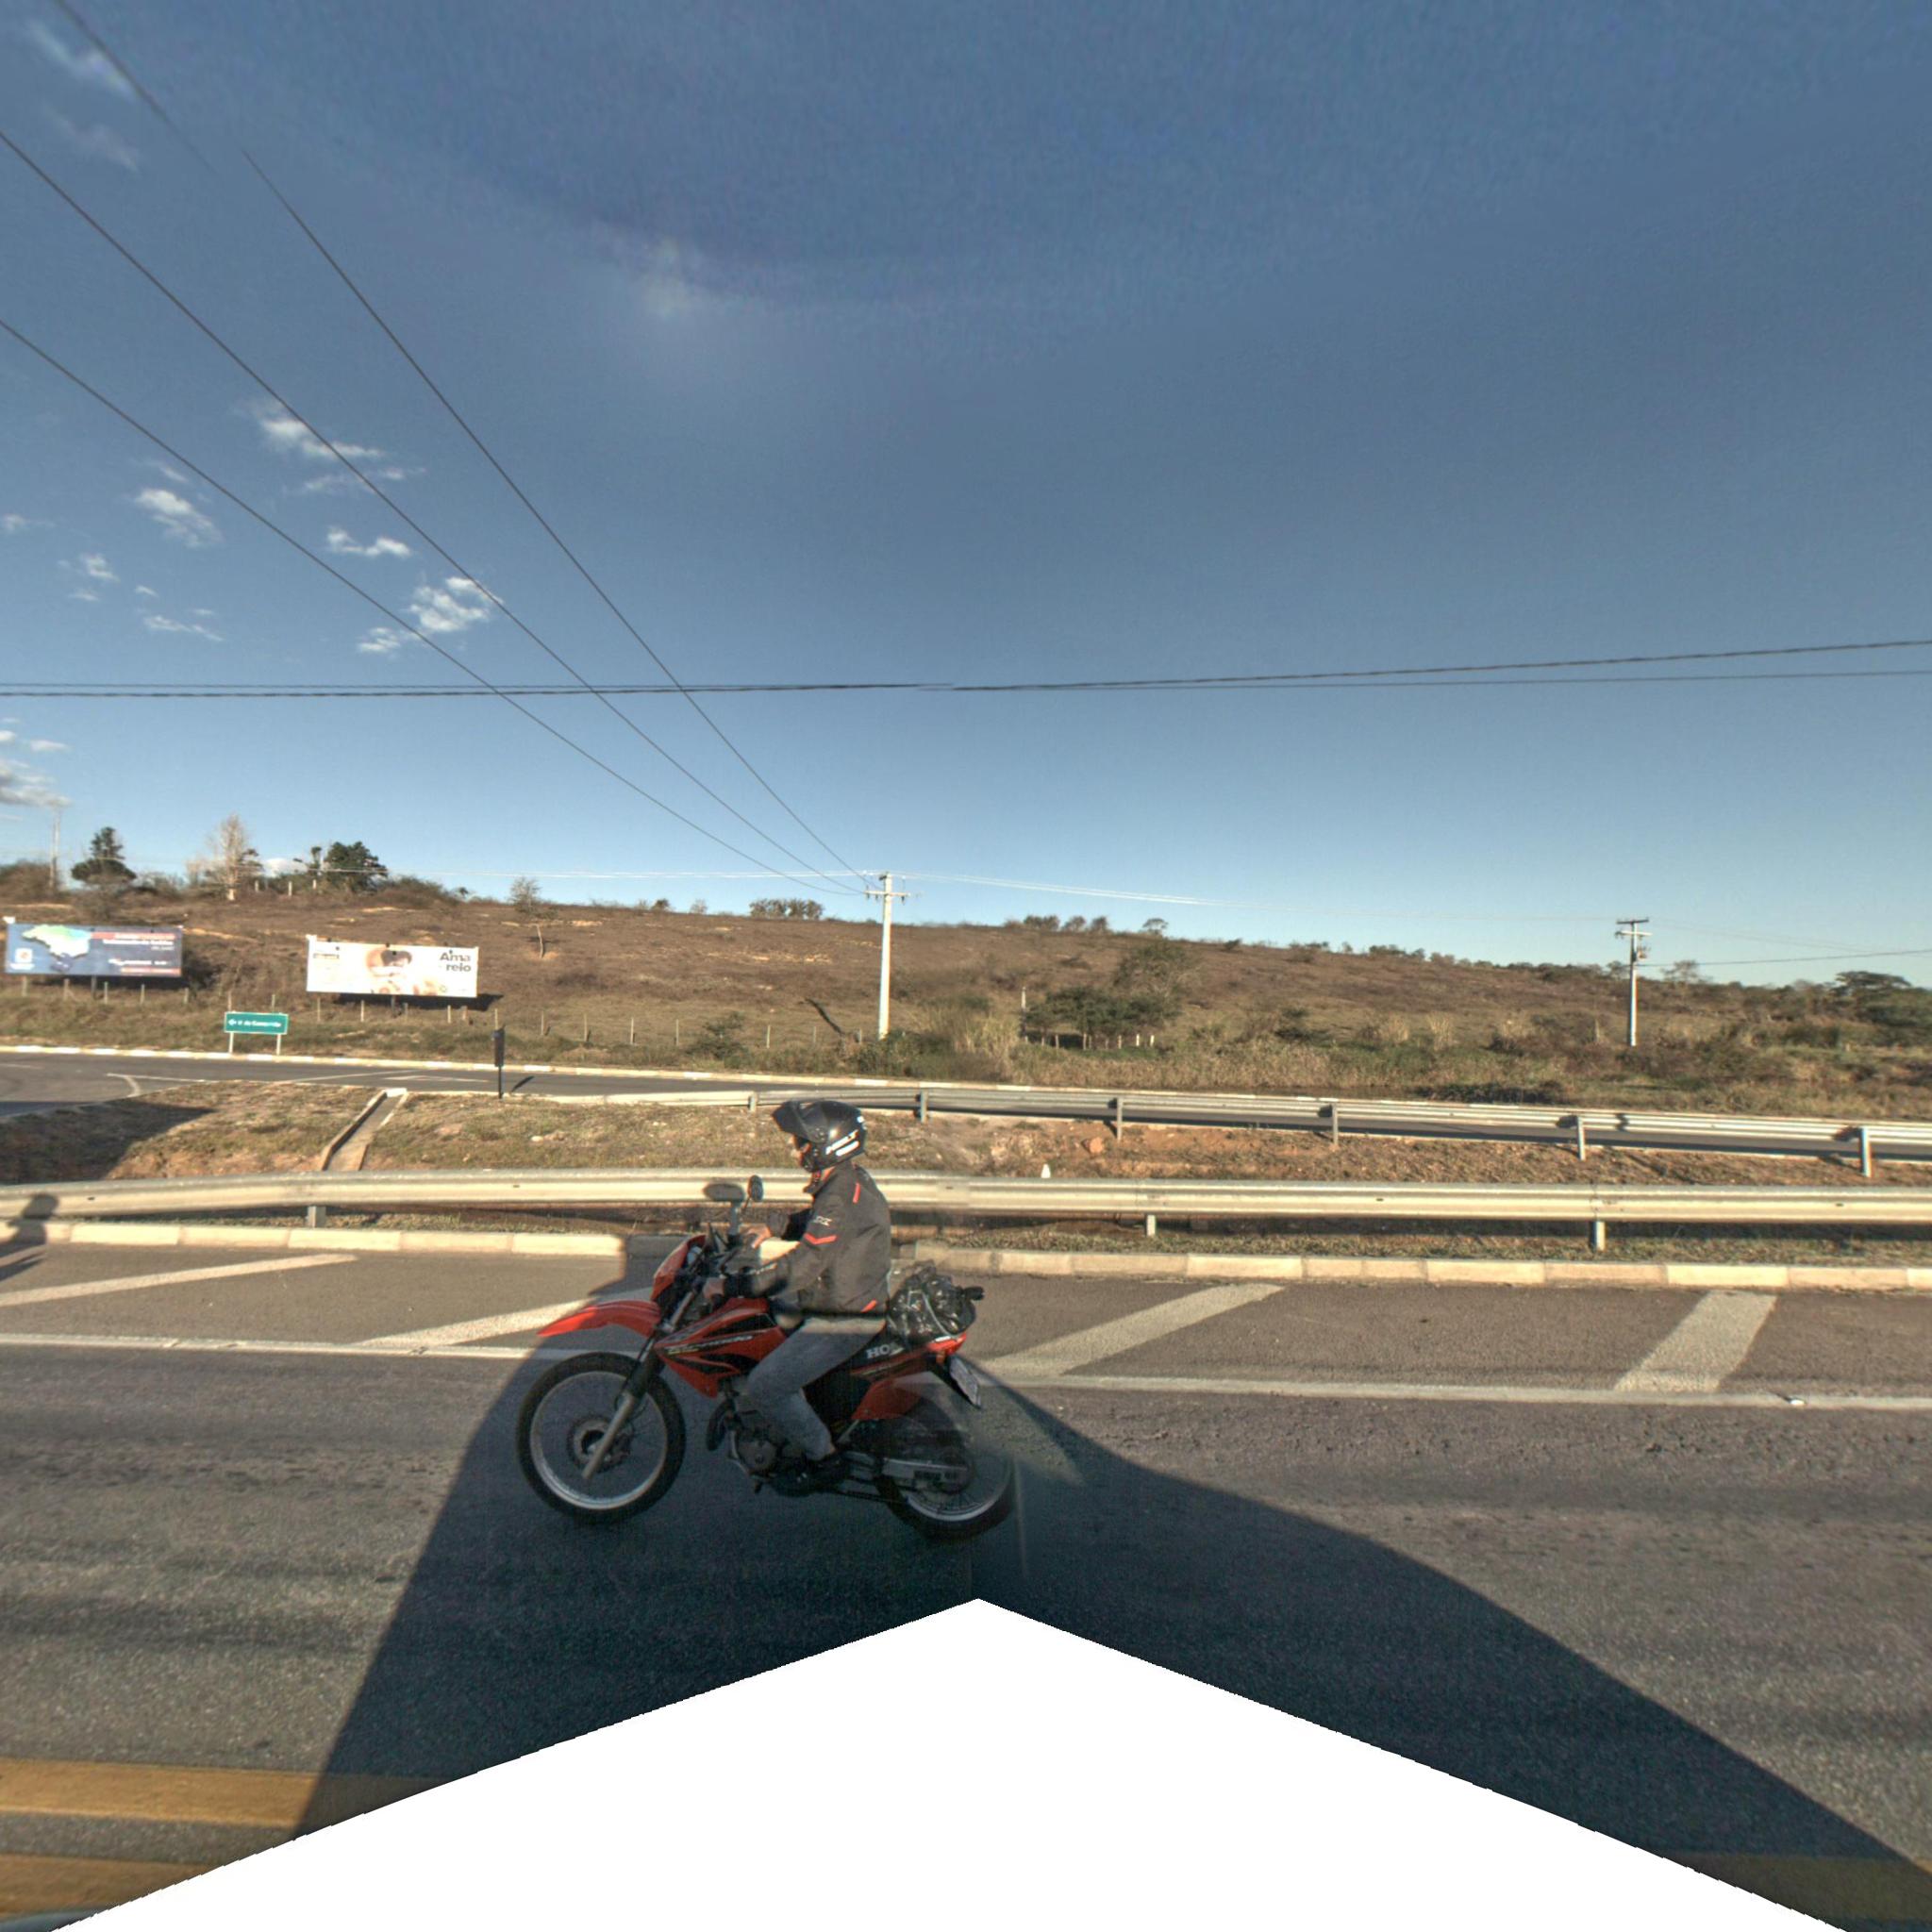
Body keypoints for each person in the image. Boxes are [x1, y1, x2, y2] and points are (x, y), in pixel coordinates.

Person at [732, 1097, 891, 1487]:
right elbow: (819, 1221)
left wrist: (740, 1284)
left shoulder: (838, 1194)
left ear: (827, 1145)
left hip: (844, 1319)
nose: (796, 1149)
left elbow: (804, 1265)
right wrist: (775, 1227)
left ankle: (824, 1457)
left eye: (802, 1142)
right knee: (772, 1319)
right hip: (849, 1301)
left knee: (766, 1385)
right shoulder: (848, 1180)